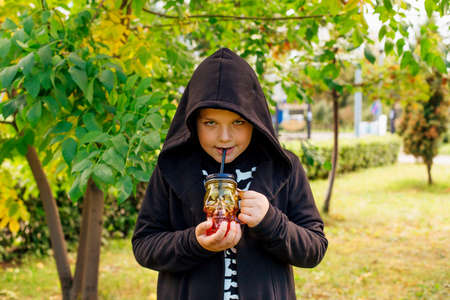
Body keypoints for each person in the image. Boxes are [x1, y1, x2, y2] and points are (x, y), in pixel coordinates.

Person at [132, 48, 328, 300]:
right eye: (210, 123)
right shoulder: (173, 168)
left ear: (255, 120)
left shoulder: (283, 167)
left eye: (238, 122)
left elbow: (314, 248)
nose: (224, 137)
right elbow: (144, 245)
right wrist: (194, 242)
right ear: (192, 122)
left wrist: (271, 221)